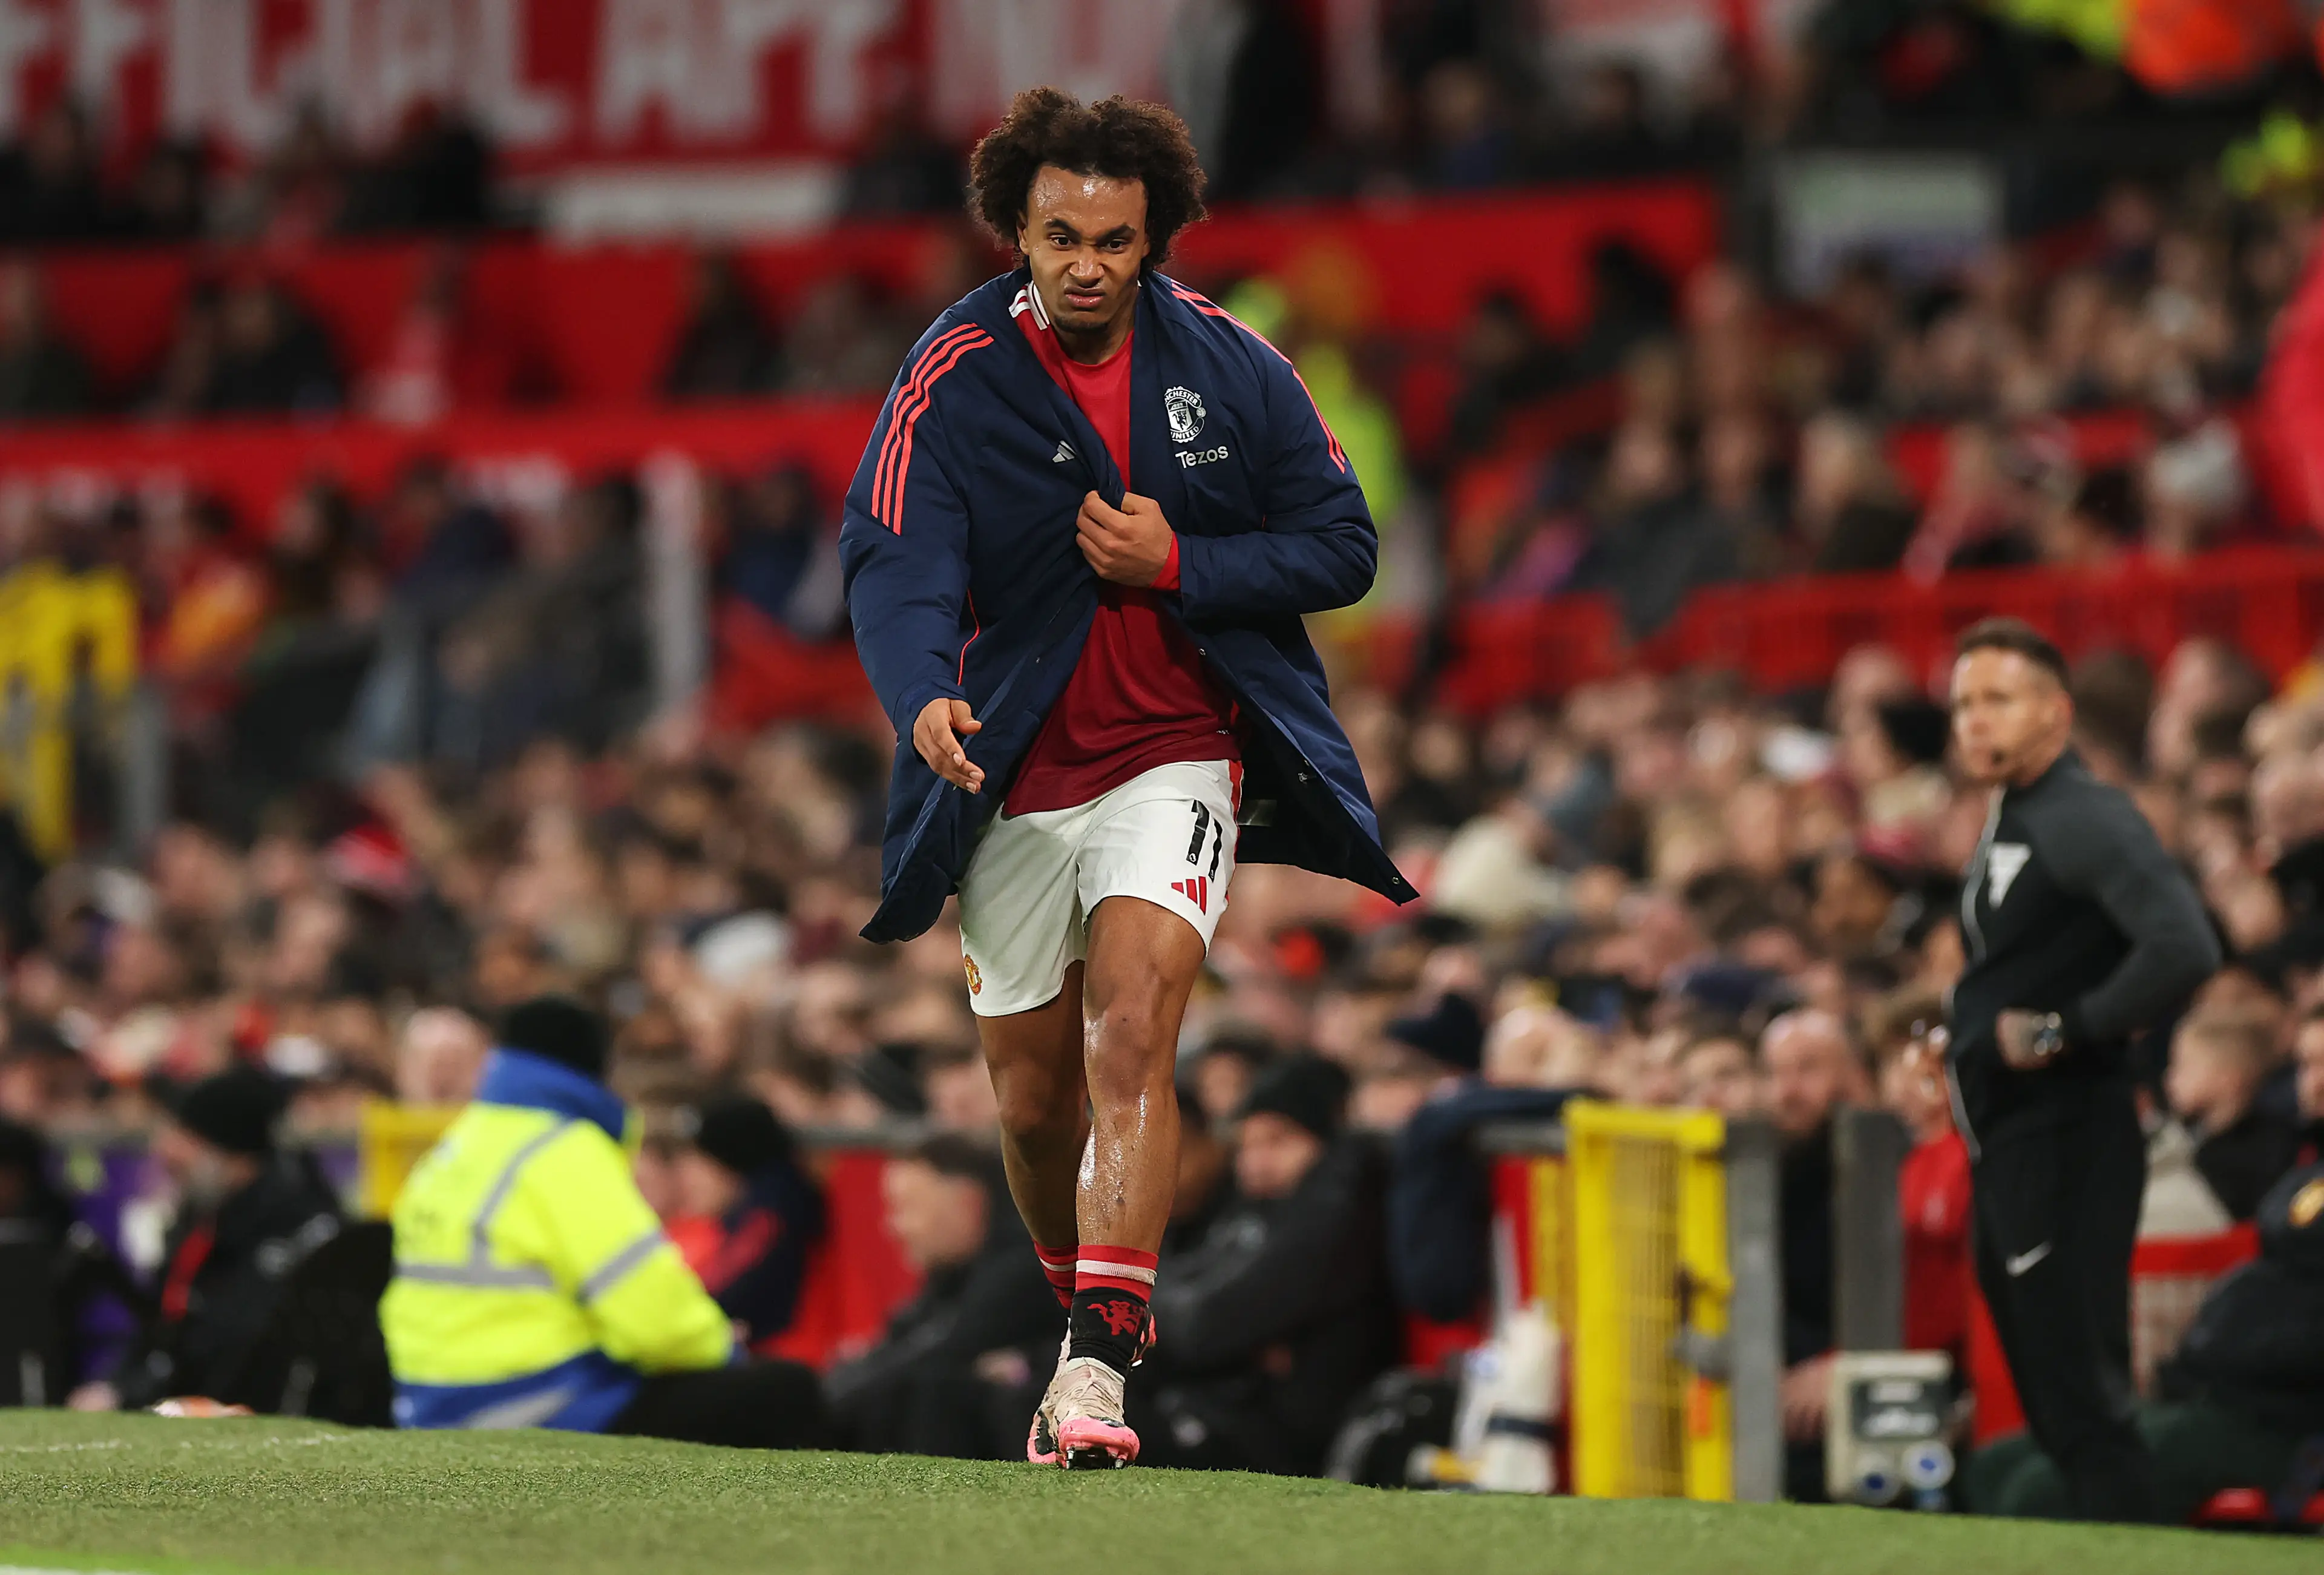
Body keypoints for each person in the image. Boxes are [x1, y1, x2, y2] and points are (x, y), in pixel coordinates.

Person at [839, 87, 1407, 1468]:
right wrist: (920, 694)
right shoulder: (951, 371)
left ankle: (1097, 1361)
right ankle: (1071, 1306)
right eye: (1059, 235)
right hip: (1013, 764)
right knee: (1031, 1103)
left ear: (1154, 237)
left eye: (1114, 236)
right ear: (1013, 234)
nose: (1087, 260)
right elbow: (896, 553)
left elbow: (1342, 541)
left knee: (1132, 1033)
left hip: (1173, 751)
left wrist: (1183, 565)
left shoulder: (1230, 363)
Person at [1942, 617, 2222, 1522]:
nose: (1975, 721)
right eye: (1963, 704)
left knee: (2085, 1401)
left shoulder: (2086, 815)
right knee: (2058, 1399)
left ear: (2057, 712)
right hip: (2016, 1135)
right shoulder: (2016, 814)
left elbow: (2183, 944)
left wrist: (2070, 1030)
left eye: (1999, 700)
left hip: (2069, 1133)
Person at [381, 996, 829, 1448]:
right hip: (539, 1404)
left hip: (430, 1404)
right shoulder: (563, 1149)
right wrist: (724, 1347)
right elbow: (651, 1316)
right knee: (787, 1391)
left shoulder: (456, 1147)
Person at [1972, 1160, 2324, 1522]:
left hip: (2280, 1427)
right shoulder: (2306, 1182)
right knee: (1993, 1466)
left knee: (2038, 1493)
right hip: (2210, 1400)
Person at [1134, 1056, 1400, 1475]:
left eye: (1277, 1141)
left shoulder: (1336, 1215)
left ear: (1323, 1142)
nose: (1255, 1163)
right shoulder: (1259, 1208)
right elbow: (1175, 1297)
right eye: (1247, 1146)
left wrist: (1207, 1331)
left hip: (1287, 1442)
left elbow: (1205, 1327)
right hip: (1225, 1408)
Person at [73, 1067, 341, 1414]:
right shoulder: (203, 1221)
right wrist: (117, 1385)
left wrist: (134, 1393)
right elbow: (162, 1326)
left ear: (232, 1154)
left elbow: (229, 1351)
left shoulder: (297, 1231)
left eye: (185, 1138)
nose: (165, 1152)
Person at [821, 1134, 1059, 1458]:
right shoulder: (956, 1274)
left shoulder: (1023, 1269)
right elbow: (905, 1340)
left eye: (906, 1209)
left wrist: (821, 1407)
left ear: (968, 1204)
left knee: (934, 1388)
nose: (894, 1227)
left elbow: (935, 1352)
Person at [670, 1095, 825, 1349]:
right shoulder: (756, 1210)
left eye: (699, 1163)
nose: (688, 1178)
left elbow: (720, 1294)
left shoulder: (771, 1215)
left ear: (731, 1163)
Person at [2162, 1011, 2300, 1220]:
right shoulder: (2190, 1138)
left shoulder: (2268, 1147)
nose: (2170, 1078)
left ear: (2228, 1078)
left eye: (2183, 1066)